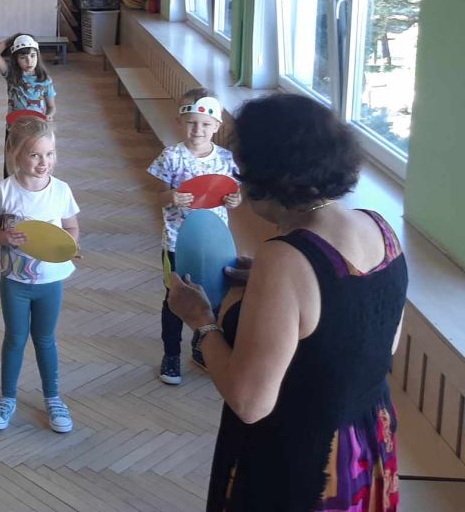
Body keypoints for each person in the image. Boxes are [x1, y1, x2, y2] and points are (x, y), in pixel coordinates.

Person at [167, 94, 407, 511]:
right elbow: (374, 342)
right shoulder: (380, 227)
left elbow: (249, 402)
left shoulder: (284, 258)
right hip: (366, 440)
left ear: (266, 176)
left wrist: (201, 320)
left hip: (305, 460)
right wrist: (273, 291)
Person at [0, 116, 80, 434]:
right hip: (14, 282)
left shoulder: (61, 190)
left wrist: (71, 245)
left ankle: (53, 398)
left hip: (50, 282)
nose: (43, 162)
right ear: (16, 155)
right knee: (14, 339)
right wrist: (4, 237)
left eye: (49, 154)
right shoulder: (5, 190)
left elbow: (71, 226)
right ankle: (7, 397)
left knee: (45, 339)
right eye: (35, 155)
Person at [147, 89, 241, 384]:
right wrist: (172, 197)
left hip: (215, 243)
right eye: (191, 122)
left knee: (213, 298)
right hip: (178, 242)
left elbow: (234, 195)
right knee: (175, 298)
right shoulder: (171, 156)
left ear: (217, 126)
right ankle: (171, 354)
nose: (197, 130)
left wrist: (235, 200)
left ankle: (203, 347)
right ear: (180, 121)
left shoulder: (226, 159)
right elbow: (158, 197)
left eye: (205, 124)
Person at [0, 34, 56, 120]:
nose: (29, 61)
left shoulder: (45, 80)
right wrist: (12, 39)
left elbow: (51, 107)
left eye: (32, 55)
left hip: (37, 123)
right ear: (16, 60)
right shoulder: (11, 74)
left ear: (38, 56)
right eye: (23, 57)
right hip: (15, 124)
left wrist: (49, 115)